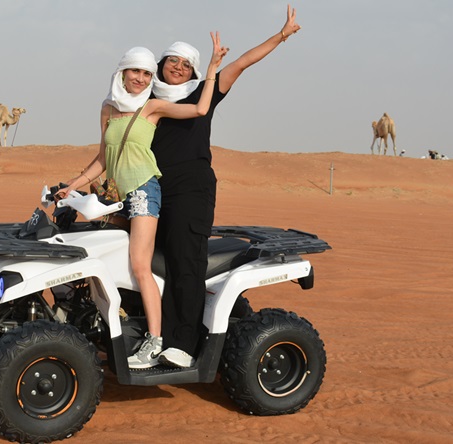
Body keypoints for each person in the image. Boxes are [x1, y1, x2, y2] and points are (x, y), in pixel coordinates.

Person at [57, 33, 228, 369]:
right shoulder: (108, 108)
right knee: (100, 252)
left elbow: (201, 108)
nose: (140, 78)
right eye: (135, 71)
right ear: (121, 72)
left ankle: (155, 341)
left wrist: (211, 69)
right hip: (117, 196)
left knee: (139, 264)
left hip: (144, 192)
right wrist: (73, 184)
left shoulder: (151, 106)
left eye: (147, 74)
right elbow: (103, 157)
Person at [151, 5, 301, 368]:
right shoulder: (146, 99)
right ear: (161, 64)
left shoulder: (204, 91)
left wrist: (281, 35)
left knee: (185, 263)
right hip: (152, 191)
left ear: (195, 70)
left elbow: (245, 60)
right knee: (150, 262)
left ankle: (181, 346)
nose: (178, 68)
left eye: (186, 64)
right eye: (172, 61)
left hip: (191, 190)